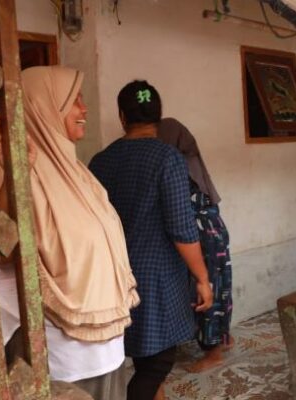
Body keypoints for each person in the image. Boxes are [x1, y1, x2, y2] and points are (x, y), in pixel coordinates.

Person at [0, 66, 139, 400]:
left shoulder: (76, 173)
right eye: (73, 100)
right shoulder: (5, 168)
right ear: (42, 106)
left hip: (106, 350)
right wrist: (15, 179)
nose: (84, 109)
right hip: (60, 359)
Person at [89, 80, 213, 400]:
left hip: (114, 274)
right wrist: (202, 278)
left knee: (144, 355)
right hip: (156, 277)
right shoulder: (167, 158)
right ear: (159, 115)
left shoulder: (100, 162)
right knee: (158, 361)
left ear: (122, 116)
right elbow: (182, 229)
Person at [157, 117, 235, 373]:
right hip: (213, 231)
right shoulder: (190, 159)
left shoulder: (177, 164)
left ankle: (213, 352)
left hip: (201, 236)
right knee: (220, 286)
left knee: (207, 290)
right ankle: (223, 338)